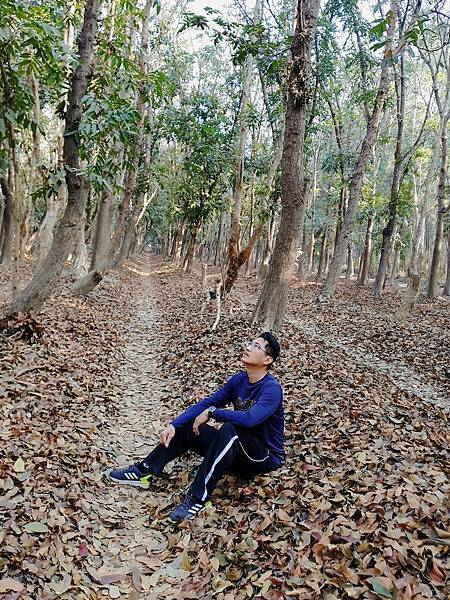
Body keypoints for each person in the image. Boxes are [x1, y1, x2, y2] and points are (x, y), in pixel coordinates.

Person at [105, 332, 284, 523]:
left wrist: (213, 412)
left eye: (256, 346)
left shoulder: (271, 389)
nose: (248, 347)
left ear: (267, 360)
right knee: (191, 426)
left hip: (263, 457)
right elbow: (207, 403)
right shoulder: (239, 380)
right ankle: (144, 471)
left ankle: (198, 498)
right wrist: (174, 425)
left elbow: (249, 419)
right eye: (250, 343)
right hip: (235, 453)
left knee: (231, 428)